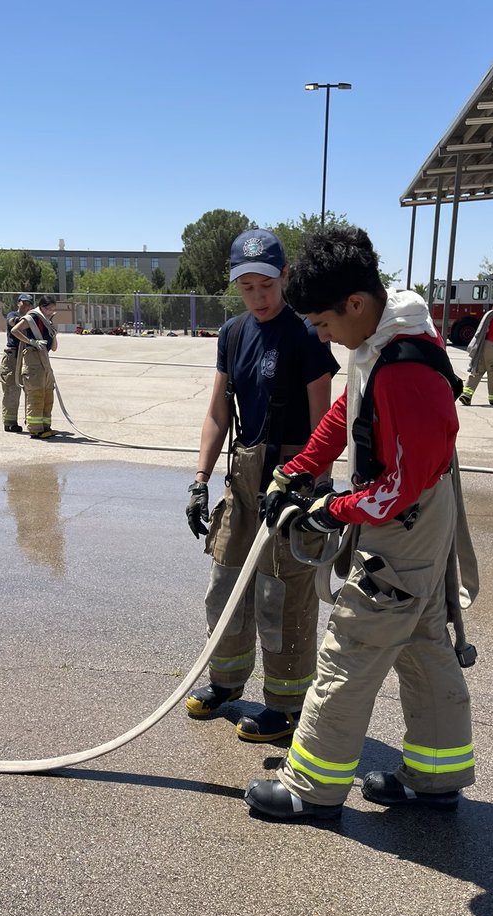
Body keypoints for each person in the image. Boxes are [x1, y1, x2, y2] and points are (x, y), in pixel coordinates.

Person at [245, 226, 476, 822]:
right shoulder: (380, 337)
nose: (322, 336)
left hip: (405, 520)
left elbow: (399, 490)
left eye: (323, 324)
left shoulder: (406, 373)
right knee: (423, 642)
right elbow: (349, 412)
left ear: (354, 303)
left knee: (352, 643)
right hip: (415, 516)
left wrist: (329, 509)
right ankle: (436, 776)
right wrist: (298, 470)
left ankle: (311, 789)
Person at [185, 228, 338, 742]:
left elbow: (325, 424)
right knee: (225, 583)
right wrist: (201, 480)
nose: (258, 297)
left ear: (285, 276)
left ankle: (285, 705)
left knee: (281, 595)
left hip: (292, 479)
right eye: (247, 287)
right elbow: (216, 415)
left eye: (267, 285)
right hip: (243, 478)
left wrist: (312, 489)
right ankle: (226, 681)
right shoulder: (232, 334)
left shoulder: (307, 334)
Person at [11, 295, 60, 439]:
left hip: (44, 360)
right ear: (42, 307)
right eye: (49, 309)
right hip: (33, 360)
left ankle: (45, 427)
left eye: (53, 310)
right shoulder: (32, 318)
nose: (51, 312)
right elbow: (15, 330)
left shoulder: (47, 321)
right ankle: (35, 429)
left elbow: (54, 348)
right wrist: (31, 341)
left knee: (48, 394)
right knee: (36, 394)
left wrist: (53, 332)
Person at [459, 305, 493, 406]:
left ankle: (466, 395)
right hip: (492, 347)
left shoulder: (488, 318)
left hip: (482, 346)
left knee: (477, 370)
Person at [1, 292, 33, 432]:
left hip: (27, 355)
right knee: (12, 389)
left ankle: (32, 421)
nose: (26, 306)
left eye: (28, 304)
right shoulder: (13, 315)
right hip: (13, 357)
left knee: (31, 389)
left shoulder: (31, 318)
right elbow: (12, 323)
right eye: (23, 303)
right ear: (18, 303)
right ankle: (10, 422)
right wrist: (27, 321)